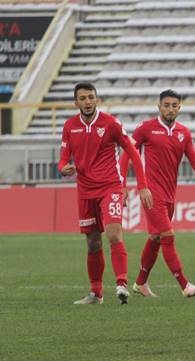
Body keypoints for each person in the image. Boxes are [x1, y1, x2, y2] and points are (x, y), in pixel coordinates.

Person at [58, 82, 153, 305]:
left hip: (110, 186)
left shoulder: (111, 123)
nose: (87, 101)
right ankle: (96, 293)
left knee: (113, 233)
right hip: (84, 190)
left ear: (97, 99)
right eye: (82, 98)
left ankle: (121, 283)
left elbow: (133, 152)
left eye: (91, 97)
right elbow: (63, 158)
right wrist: (63, 168)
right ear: (76, 102)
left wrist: (142, 185)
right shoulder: (69, 126)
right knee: (92, 242)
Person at [119, 89, 195, 299]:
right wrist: (126, 184)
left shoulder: (183, 133)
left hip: (170, 195)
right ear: (159, 106)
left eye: (174, 105)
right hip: (151, 194)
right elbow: (127, 155)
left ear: (179, 108)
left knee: (156, 237)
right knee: (168, 236)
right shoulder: (146, 129)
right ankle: (185, 285)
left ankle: (140, 283)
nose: (170, 109)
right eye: (166, 105)